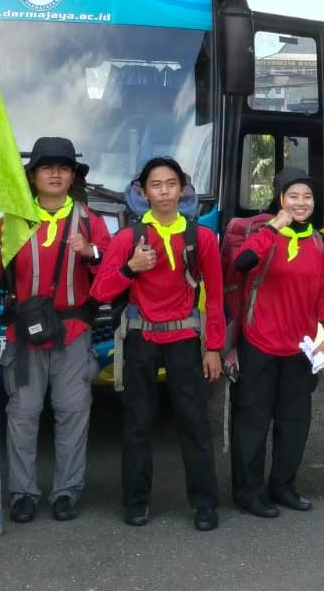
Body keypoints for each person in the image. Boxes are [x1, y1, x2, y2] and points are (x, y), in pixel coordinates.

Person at [0, 137, 111, 524]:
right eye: (46, 167)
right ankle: (22, 494)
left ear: (73, 177)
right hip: (24, 336)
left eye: (63, 168)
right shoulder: (12, 221)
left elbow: (112, 276)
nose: (55, 174)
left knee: (73, 411)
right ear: (32, 176)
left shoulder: (91, 221)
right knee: (23, 412)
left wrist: (91, 252)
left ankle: (67, 491)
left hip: (74, 332)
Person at [91, 157, 226, 531]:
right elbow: (99, 291)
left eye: (171, 184)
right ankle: (136, 502)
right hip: (140, 338)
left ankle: (204, 503)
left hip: (184, 339)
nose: (164, 192)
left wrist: (213, 347)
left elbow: (216, 297)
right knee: (137, 423)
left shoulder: (201, 238)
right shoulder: (127, 239)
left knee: (194, 422)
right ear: (143, 192)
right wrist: (130, 267)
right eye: (156, 185)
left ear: (182, 190)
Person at [230, 167, 324, 518]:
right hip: (259, 342)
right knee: (253, 421)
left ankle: (283, 486)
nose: (301, 202)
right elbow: (243, 262)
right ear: (280, 199)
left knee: (294, 422)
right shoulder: (265, 235)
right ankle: (249, 492)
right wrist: (275, 226)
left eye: (307, 196)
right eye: (293, 196)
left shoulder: (320, 243)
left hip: (299, 347)